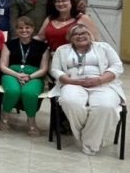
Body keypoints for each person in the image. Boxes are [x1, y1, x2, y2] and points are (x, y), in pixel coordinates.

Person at [50, 24, 125, 156]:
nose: (80, 36)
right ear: (70, 38)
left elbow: (117, 66)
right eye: (76, 34)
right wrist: (69, 80)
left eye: (83, 33)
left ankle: (90, 142)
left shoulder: (104, 47)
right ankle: (91, 136)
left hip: (102, 83)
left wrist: (100, 79)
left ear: (90, 35)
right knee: (70, 102)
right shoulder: (62, 50)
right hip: (73, 82)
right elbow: (55, 70)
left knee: (106, 106)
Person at [0, 16, 49, 136]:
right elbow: (3, 66)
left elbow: (44, 68)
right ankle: (4, 117)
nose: (24, 30)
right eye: (20, 28)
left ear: (33, 29)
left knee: (29, 93)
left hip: (34, 75)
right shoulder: (9, 44)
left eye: (27, 27)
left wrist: (29, 77)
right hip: (11, 74)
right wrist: (17, 75)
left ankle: (31, 121)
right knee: (13, 91)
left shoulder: (42, 46)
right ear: (16, 29)